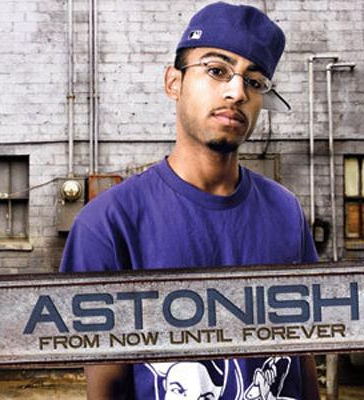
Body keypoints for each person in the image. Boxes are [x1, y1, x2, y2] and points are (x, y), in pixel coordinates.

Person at [60, 2, 320, 399]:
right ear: (174, 83)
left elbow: (304, 357)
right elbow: (107, 385)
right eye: (216, 70)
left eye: (254, 82)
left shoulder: (286, 211)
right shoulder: (107, 224)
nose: (236, 92)